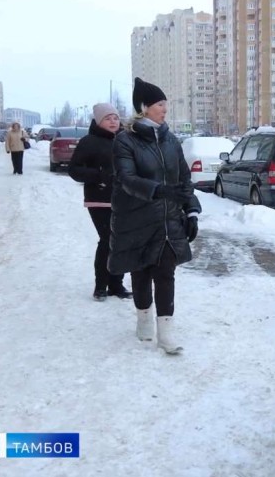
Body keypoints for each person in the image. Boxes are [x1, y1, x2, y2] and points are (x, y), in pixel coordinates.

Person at [108, 77, 201, 355]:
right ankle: (144, 318)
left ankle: (166, 333)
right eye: (160, 104)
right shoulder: (125, 141)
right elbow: (126, 178)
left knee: (165, 273)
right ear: (144, 107)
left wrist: (192, 210)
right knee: (141, 271)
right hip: (136, 218)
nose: (165, 109)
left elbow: (184, 180)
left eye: (165, 104)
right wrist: (158, 190)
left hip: (168, 220)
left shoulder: (171, 140)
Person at [69, 103, 133, 302]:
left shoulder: (126, 140)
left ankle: (116, 284)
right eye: (108, 118)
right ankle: (101, 286)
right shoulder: (89, 142)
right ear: (98, 121)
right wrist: (100, 176)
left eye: (115, 117)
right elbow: (74, 170)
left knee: (121, 242)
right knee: (107, 240)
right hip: (100, 199)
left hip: (124, 199)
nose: (113, 121)